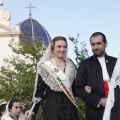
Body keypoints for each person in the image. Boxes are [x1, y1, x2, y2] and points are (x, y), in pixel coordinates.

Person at [24, 36, 83, 120]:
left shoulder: (71, 65)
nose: (62, 49)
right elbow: (39, 91)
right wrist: (32, 110)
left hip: (68, 106)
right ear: (52, 48)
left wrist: (84, 89)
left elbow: (73, 89)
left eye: (65, 47)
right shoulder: (45, 66)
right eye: (59, 46)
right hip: (51, 106)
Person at [75, 32, 117, 120]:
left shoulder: (116, 62)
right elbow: (78, 89)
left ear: (105, 44)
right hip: (95, 111)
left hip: (116, 109)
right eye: (93, 44)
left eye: (99, 43)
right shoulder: (85, 64)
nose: (96, 47)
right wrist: (100, 101)